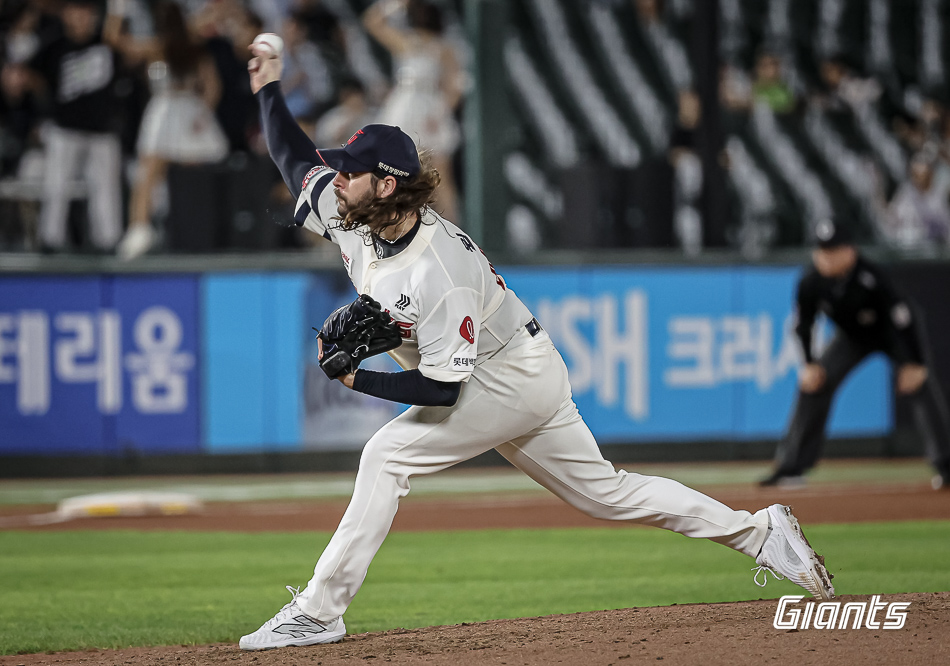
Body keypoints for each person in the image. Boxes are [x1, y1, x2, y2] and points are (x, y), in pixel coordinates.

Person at [239, 41, 836, 651]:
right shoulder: (352, 212)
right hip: (523, 365)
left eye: (350, 170)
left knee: (386, 457)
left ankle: (319, 610)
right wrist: (268, 89)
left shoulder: (436, 270)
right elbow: (292, 157)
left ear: (387, 186)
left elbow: (444, 389)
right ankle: (762, 534)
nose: (336, 179)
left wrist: (354, 382)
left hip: (506, 376)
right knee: (607, 493)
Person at [761, 219, 950, 490]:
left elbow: (904, 318)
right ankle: (791, 466)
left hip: (890, 336)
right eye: (822, 251)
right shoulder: (811, 281)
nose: (826, 258)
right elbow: (803, 324)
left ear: (850, 251)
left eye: (833, 251)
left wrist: (914, 362)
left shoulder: (871, 276)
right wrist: (809, 363)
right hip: (851, 339)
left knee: (920, 383)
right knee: (814, 383)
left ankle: (946, 464)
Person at [106, 0, 228, 260]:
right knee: (161, 174)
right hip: (184, 113)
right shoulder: (187, 46)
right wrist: (203, 115)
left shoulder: (161, 47)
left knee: (149, 174)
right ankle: (151, 229)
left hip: (168, 112)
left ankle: (142, 229)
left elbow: (115, 40)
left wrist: (117, 9)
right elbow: (214, 87)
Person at [22, 0, 124, 253]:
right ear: (66, 15)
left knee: (106, 189)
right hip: (64, 128)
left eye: (87, 13)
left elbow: (130, 60)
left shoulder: (106, 41)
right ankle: (50, 241)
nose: (81, 18)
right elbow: (31, 73)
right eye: (76, 12)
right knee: (56, 185)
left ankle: (108, 242)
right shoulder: (53, 44)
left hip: (101, 130)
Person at [362, 0, 463, 224]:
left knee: (437, 177)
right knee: (404, 174)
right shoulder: (411, 42)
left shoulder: (432, 46)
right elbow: (454, 88)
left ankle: (451, 231)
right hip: (412, 110)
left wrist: (396, 5)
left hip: (421, 111)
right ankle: (400, 226)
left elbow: (454, 87)